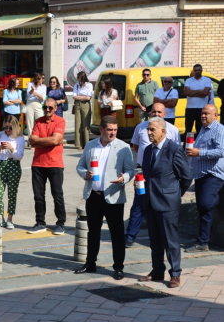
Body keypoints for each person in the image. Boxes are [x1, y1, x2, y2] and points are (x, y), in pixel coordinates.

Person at [75, 116, 134, 280]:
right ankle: (90, 263)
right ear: (101, 129)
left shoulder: (123, 147)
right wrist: (84, 173)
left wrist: (124, 178)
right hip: (93, 195)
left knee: (116, 234)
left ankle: (118, 267)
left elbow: (131, 170)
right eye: (109, 130)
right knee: (93, 232)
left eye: (115, 130)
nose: (113, 133)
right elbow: (80, 165)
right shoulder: (90, 146)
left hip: (113, 196)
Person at [137, 117, 192, 288]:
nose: (149, 132)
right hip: (150, 201)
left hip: (168, 202)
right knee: (155, 240)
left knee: (170, 240)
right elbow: (147, 173)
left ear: (163, 131)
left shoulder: (174, 149)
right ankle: (157, 270)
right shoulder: (147, 150)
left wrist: (175, 194)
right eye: (148, 129)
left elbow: (186, 177)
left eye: (152, 129)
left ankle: (175, 273)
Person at [125, 103, 181, 247]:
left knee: (159, 205)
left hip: (163, 174)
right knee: (139, 203)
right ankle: (130, 236)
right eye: (153, 111)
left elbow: (176, 152)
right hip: (143, 171)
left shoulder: (173, 130)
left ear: (165, 114)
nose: (156, 114)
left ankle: (159, 236)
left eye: (159, 112)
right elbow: (136, 146)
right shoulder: (140, 127)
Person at [185, 104, 224, 252]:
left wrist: (199, 152)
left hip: (213, 173)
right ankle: (202, 242)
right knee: (203, 209)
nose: (203, 116)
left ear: (215, 115)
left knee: (206, 203)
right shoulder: (202, 129)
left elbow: (221, 151)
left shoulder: (219, 129)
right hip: (200, 174)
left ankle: (217, 198)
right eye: (202, 113)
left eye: (207, 113)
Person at [27, 98, 66, 235]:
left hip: (55, 164)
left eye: (50, 107)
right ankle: (40, 222)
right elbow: (31, 141)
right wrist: (48, 141)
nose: (47, 110)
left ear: (56, 108)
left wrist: (39, 142)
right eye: (45, 107)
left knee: (57, 195)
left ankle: (61, 223)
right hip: (38, 163)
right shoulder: (38, 121)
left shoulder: (60, 121)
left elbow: (56, 140)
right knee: (38, 196)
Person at [0, 115, 25, 229]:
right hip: (0, 164)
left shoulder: (19, 138)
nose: (7, 130)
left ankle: (10, 219)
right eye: (6, 127)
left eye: (10, 128)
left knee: (12, 194)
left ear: (15, 127)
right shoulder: (0, 135)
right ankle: (0, 217)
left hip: (13, 165)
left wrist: (12, 149)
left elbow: (19, 156)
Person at [184, 64, 212, 137]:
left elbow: (205, 93)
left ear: (201, 71)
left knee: (200, 129)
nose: (197, 72)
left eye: (198, 70)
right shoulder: (188, 80)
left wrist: (192, 93)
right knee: (188, 129)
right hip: (190, 108)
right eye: (195, 70)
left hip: (202, 109)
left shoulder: (207, 80)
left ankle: (200, 147)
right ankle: (186, 147)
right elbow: (186, 92)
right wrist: (199, 91)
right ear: (193, 71)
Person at [72, 71, 93, 151]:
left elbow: (88, 98)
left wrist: (78, 96)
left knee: (86, 124)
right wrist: (82, 97)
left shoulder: (89, 85)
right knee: (78, 124)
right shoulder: (76, 85)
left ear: (82, 78)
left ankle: (86, 143)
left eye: (78, 77)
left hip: (86, 105)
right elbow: (74, 96)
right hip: (77, 104)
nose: (77, 79)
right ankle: (79, 144)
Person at [25, 73, 46, 141]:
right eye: (41, 78)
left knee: (41, 121)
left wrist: (36, 93)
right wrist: (32, 90)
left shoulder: (43, 87)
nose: (42, 79)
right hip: (30, 103)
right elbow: (28, 95)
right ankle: (31, 142)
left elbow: (43, 98)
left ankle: (41, 139)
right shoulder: (30, 84)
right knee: (30, 122)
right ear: (37, 79)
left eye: (43, 78)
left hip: (38, 103)